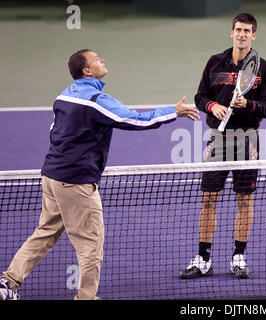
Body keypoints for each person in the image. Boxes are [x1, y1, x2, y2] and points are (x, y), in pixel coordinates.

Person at [0, 49, 199, 300]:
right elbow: (133, 119)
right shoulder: (95, 99)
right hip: (75, 183)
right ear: (86, 70)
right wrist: (173, 111)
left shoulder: (64, 96)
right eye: (96, 59)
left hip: (51, 177)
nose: (102, 60)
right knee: (90, 245)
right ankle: (86, 297)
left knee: (45, 233)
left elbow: (55, 132)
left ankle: (8, 282)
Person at [179, 13, 266, 279]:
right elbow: (200, 96)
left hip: (247, 141)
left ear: (254, 35)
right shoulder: (214, 63)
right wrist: (214, 106)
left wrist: (249, 105)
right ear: (231, 33)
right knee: (209, 199)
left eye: (247, 31)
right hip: (218, 140)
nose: (242, 34)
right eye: (238, 30)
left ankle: (238, 257)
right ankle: (204, 259)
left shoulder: (263, 68)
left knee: (244, 200)